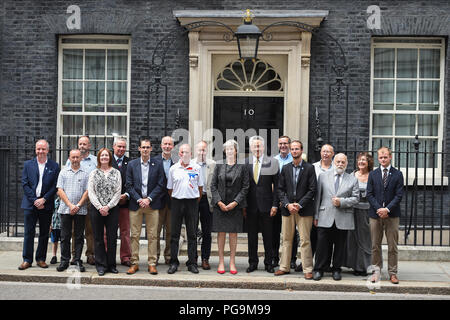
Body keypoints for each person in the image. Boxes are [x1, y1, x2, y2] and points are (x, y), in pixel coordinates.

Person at [313, 153, 359, 281]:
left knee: (340, 245)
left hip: (343, 217)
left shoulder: (352, 179)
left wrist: (342, 202)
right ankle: (318, 269)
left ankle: (336, 269)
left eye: (343, 162)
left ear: (346, 164)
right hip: (324, 216)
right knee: (322, 245)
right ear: (334, 162)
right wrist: (316, 216)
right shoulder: (323, 176)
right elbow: (318, 198)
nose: (340, 164)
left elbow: (356, 199)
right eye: (338, 161)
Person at [275, 140, 316, 279]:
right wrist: (287, 204)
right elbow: (280, 190)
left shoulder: (310, 168)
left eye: (297, 149)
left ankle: (307, 269)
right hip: (287, 209)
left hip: (304, 210)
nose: (294, 151)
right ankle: (284, 267)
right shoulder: (285, 168)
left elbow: (312, 190)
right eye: (292, 149)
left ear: (301, 150)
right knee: (286, 239)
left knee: (305, 240)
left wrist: (299, 204)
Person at [125, 138, 165, 275]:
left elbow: (161, 184)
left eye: (148, 147)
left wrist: (148, 199)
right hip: (136, 205)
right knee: (134, 235)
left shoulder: (158, 164)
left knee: (153, 235)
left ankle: (152, 263)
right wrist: (139, 199)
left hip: (152, 204)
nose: (146, 149)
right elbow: (128, 185)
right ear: (139, 149)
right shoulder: (132, 164)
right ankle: (134, 263)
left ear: (151, 149)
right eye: (143, 147)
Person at [19, 139, 60, 270]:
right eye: (38, 149)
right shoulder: (27, 165)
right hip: (30, 204)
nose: (40, 151)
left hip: (46, 205)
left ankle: (41, 259)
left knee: (44, 233)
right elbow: (25, 184)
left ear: (48, 150)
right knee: (28, 233)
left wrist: (44, 199)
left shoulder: (54, 166)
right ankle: (27, 259)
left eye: (43, 149)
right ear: (35, 150)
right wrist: (35, 200)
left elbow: (55, 186)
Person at [210, 140, 249, 274]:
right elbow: (213, 185)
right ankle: (221, 262)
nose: (230, 151)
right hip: (220, 206)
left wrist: (235, 202)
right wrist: (219, 202)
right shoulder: (219, 165)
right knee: (221, 234)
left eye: (232, 149)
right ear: (225, 151)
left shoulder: (242, 166)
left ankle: (232, 262)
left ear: (236, 151)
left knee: (233, 234)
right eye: (227, 149)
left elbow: (245, 187)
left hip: (235, 207)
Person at [366, 147, 404, 284]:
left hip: (392, 215)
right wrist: (379, 209)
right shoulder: (373, 174)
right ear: (378, 158)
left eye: (385, 157)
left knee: (392, 246)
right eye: (380, 158)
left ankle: (393, 273)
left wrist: (387, 209)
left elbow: (399, 195)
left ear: (390, 157)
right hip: (375, 215)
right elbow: (369, 194)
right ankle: (376, 272)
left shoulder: (398, 174)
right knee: (375, 245)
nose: (383, 159)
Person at [167, 144, 203, 274]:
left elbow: (200, 188)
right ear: (179, 154)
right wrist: (178, 198)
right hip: (177, 202)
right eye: (182, 152)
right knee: (174, 234)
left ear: (191, 154)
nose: (185, 154)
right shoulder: (173, 169)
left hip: (192, 203)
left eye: (187, 152)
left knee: (192, 234)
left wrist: (191, 198)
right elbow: (170, 189)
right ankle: (173, 262)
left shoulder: (197, 168)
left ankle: (192, 262)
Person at [245, 136, 279, 273]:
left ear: (264, 147)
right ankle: (253, 262)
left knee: (268, 237)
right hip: (250, 206)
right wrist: (243, 206)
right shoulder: (245, 162)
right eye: (255, 146)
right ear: (251, 148)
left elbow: (277, 187)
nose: (257, 149)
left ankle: (268, 263)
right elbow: (243, 186)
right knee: (251, 237)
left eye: (259, 146)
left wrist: (275, 205)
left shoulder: (273, 162)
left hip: (267, 206)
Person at [88, 148, 122, 276]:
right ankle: (101, 265)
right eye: (102, 156)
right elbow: (91, 192)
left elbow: (118, 192)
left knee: (112, 238)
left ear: (110, 157)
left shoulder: (116, 173)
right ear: (98, 158)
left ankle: (111, 265)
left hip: (112, 209)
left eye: (106, 155)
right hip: (97, 210)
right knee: (98, 238)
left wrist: (108, 206)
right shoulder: (93, 173)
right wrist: (99, 207)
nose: (104, 158)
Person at [55, 149, 89, 272]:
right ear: (69, 158)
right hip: (65, 209)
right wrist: (70, 205)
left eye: (77, 157)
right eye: (73, 157)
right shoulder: (63, 172)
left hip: (80, 209)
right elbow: (59, 190)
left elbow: (87, 191)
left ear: (81, 158)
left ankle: (77, 260)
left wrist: (78, 205)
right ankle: (64, 260)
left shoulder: (86, 173)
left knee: (79, 236)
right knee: (65, 236)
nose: (75, 160)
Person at [66, 136, 97, 265]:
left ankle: (90, 254)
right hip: (75, 201)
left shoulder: (95, 161)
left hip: (90, 200)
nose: (82, 146)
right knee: (75, 231)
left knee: (90, 230)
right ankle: (75, 255)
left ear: (89, 146)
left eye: (85, 144)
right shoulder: (71, 161)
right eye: (80, 144)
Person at [344, 152, 373, 276]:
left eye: (364, 160)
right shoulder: (352, 175)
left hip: (366, 211)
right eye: (360, 160)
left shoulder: (372, 176)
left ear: (369, 163)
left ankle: (365, 266)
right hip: (352, 210)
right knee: (352, 238)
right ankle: (354, 265)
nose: (361, 162)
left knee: (365, 239)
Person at [273, 135, 300, 270]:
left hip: (290, 203)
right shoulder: (274, 161)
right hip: (276, 202)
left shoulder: (295, 160)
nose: (283, 146)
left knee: (291, 234)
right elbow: (272, 184)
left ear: (289, 145)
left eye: (285, 143)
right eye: (280, 143)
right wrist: (277, 201)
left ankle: (292, 259)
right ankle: (275, 258)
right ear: (278, 145)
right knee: (275, 232)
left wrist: (286, 202)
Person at [308, 143, 335, 273]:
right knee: (311, 236)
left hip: (328, 208)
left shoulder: (336, 168)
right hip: (312, 205)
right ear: (320, 153)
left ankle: (325, 264)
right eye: (323, 151)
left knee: (327, 238)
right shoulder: (313, 167)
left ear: (332, 154)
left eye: (328, 152)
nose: (325, 154)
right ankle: (307, 262)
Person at [192, 140, 216, 270]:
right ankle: (193, 257)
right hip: (194, 199)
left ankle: (205, 258)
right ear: (196, 151)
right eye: (200, 150)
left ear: (207, 151)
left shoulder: (212, 164)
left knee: (207, 231)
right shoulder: (190, 164)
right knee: (193, 230)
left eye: (204, 150)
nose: (202, 152)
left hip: (207, 200)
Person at [110, 137, 132, 267]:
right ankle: (108, 255)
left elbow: (133, 182)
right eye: (119, 146)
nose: (121, 149)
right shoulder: (107, 160)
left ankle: (125, 257)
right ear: (114, 146)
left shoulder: (130, 162)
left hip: (125, 203)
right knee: (108, 232)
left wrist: (127, 195)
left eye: (123, 147)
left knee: (125, 232)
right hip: (110, 204)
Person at [156, 136, 175, 265]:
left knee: (170, 231)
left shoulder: (178, 162)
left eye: (169, 144)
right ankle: (155, 256)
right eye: (165, 144)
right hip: (157, 201)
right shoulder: (154, 161)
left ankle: (168, 255)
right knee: (155, 232)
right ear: (161, 145)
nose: (167, 146)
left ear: (172, 147)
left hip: (173, 202)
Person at [50, 197, 61, 265]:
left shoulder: (66, 200)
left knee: (64, 241)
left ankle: (63, 256)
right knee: (54, 241)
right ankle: (54, 256)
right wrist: (50, 224)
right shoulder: (54, 201)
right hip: (54, 224)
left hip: (63, 224)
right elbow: (51, 213)